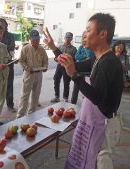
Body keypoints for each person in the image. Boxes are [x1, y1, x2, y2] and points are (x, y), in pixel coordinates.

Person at [44, 13, 123, 169]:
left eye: (88, 30)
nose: (84, 34)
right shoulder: (98, 58)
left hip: (104, 126)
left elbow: (97, 97)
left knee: (99, 162)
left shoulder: (109, 62)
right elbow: (71, 63)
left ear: (102, 34)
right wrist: (54, 48)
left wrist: (73, 75)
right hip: (94, 122)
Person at [16, 30, 48, 118]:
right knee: (25, 95)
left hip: (39, 74)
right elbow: (21, 61)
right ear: (29, 39)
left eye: (37, 40)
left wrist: (45, 67)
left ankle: (31, 114)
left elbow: (45, 60)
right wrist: (26, 68)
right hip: (28, 74)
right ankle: (20, 116)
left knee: (36, 95)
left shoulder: (42, 49)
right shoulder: (25, 48)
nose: (36, 42)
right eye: (34, 40)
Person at [0, 18, 17, 113]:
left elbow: (12, 46)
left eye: (3, 24)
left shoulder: (10, 35)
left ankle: (10, 105)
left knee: (9, 84)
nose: (1, 26)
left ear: (6, 25)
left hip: (9, 62)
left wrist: (0, 45)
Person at [50, 32, 77, 103]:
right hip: (59, 66)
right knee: (56, 79)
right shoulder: (60, 47)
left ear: (71, 39)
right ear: (64, 38)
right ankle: (56, 96)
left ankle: (65, 98)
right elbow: (55, 57)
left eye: (69, 38)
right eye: (66, 37)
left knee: (66, 82)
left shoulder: (74, 49)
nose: (68, 39)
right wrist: (56, 59)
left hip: (67, 67)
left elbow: (74, 60)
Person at [70, 32, 94, 104]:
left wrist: (85, 47)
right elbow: (76, 56)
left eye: (85, 37)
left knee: (86, 90)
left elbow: (90, 55)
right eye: (83, 37)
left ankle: (85, 105)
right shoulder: (80, 47)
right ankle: (73, 103)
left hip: (88, 73)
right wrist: (84, 56)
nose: (84, 39)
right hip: (79, 71)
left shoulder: (92, 47)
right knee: (76, 88)